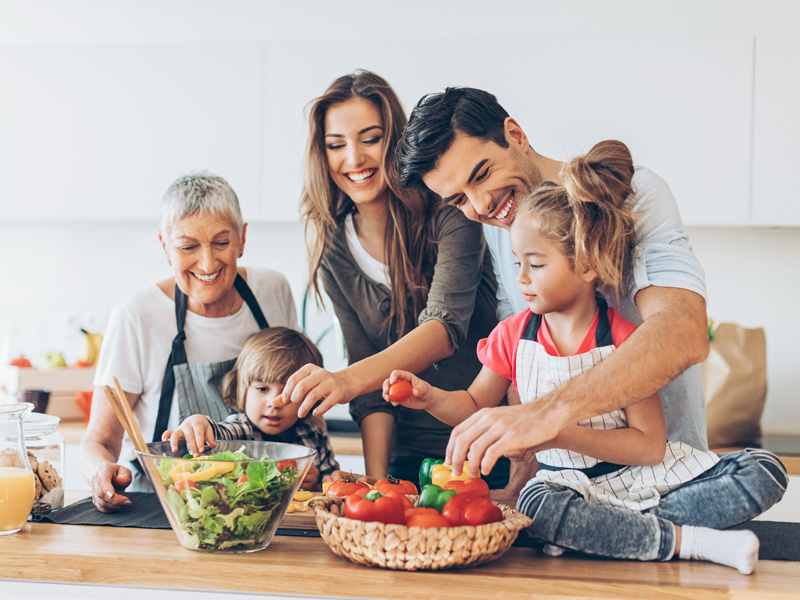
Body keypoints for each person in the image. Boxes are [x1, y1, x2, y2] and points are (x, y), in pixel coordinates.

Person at [384, 141, 787, 574]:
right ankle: (688, 541)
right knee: (539, 505)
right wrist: (429, 397)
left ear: (588, 264)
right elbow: (473, 405)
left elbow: (650, 446)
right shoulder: (512, 336)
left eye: (535, 264)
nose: (520, 279)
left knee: (765, 469)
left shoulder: (627, 342)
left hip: (642, 480)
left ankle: (603, 534)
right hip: (567, 488)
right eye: (517, 262)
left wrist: (555, 432)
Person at [395, 87, 711, 481]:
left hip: (670, 473)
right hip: (568, 483)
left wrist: (547, 415)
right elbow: (519, 363)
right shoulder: (502, 225)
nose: (481, 207)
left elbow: (684, 331)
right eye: (458, 199)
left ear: (515, 134)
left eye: (481, 174)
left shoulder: (634, 193)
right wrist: (521, 469)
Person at [279, 70, 508, 486]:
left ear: (396, 141)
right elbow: (368, 390)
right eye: (336, 145)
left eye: (370, 138)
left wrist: (343, 381)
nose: (353, 158)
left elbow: (443, 328)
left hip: (486, 447)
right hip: (405, 458)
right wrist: (377, 483)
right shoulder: (333, 249)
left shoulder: (450, 212)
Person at [80, 172, 299, 512]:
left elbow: (304, 403)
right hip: (163, 508)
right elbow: (100, 440)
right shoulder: (136, 315)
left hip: (260, 505)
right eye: (188, 247)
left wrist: (310, 466)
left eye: (222, 242)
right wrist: (100, 473)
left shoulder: (272, 291)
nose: (208, 263)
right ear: (165, 247)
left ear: (242, 238)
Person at [162, 327, 339, 490]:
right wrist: (199, 422)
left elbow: (333, 487)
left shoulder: (315, 436)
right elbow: (219, 433)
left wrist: (316, 484)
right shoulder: (241, 429)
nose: (274, 403)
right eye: (262, 389)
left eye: (289, 393)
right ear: (241, 390)